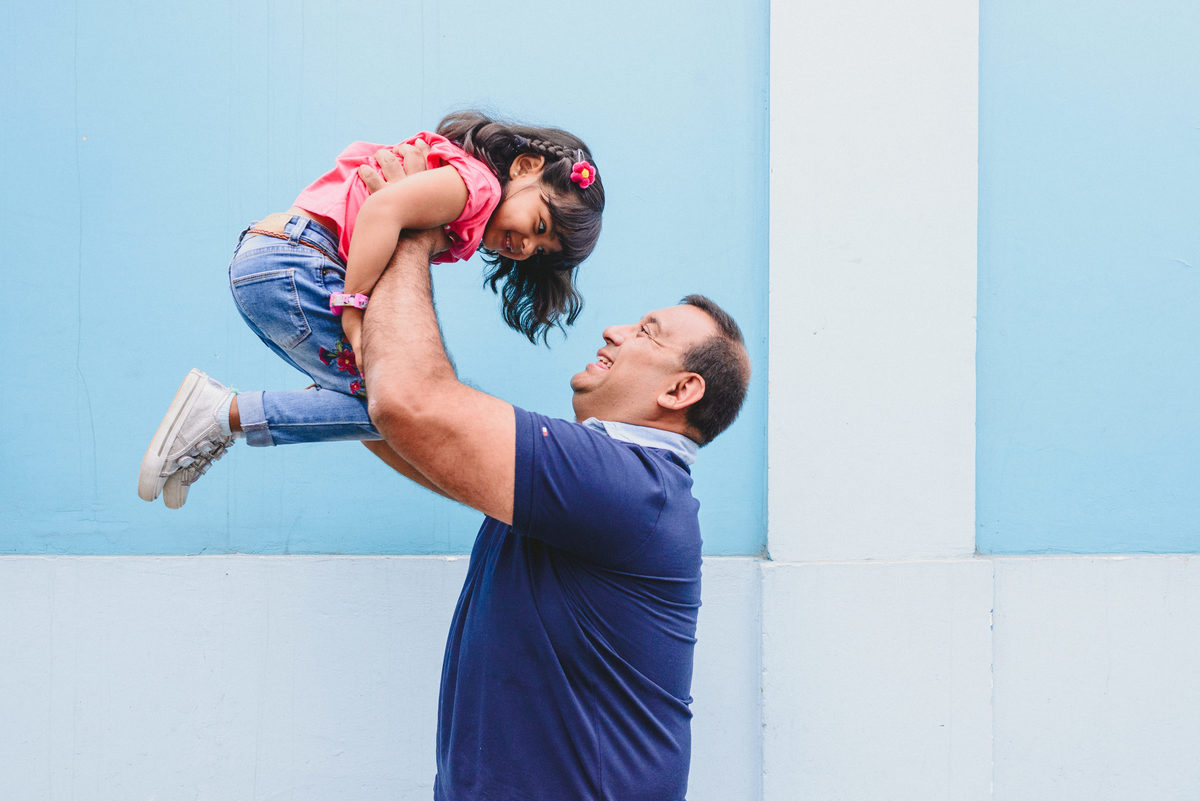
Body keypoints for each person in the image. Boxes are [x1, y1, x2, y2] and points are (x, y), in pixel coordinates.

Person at [360, 221, 750, 800]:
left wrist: (412, 233)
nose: (614, 331)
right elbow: (413, 438)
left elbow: (411, 404)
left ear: (679, 391)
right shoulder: (600, 485)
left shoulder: (626, 485)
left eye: (647, 332)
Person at [138, 111, 604, 507]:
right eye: (540, 223)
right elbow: (383, 210)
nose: (528, 245)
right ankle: (220, 415)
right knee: (403, 403)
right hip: (301, 262)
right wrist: (353, 307)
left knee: (386, 405)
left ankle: (206, 430)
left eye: (542, 250)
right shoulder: (477, 185)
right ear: (524, 166)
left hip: (275, 261)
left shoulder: (465, 192)